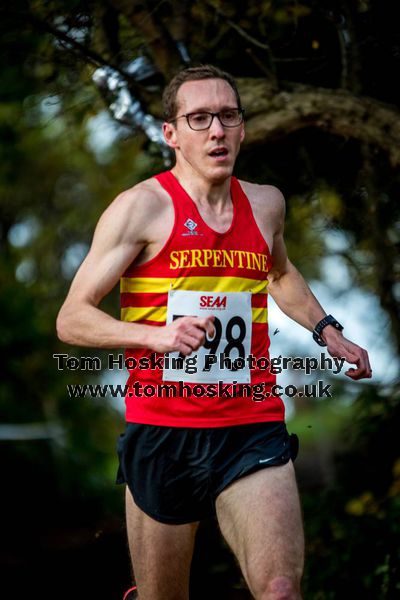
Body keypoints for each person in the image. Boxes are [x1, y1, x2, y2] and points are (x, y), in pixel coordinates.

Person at [56, 64, 372, 600]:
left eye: (227, 116)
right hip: (163, 430)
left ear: (243, 127)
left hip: (252, 424)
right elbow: (73, 317)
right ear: (172, 134)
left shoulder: (267, 203)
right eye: (199, 119)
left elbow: (279, 273)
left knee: (280, 590)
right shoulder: (141, 208)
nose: (216, 131)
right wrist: (157, 336)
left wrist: (326, 329)